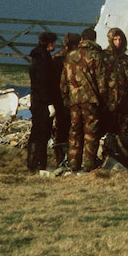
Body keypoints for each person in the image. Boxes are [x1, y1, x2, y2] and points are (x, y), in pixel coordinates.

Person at [60, 27, 107, 172]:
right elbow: (101, 81)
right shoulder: (95, 56)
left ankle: (73, 163)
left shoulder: (70, 56)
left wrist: (66, 99)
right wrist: (103, 100)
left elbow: (63, 82)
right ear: (95, 39)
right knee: (90, 133)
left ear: (81, 39)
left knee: (75, 132)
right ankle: (88, 164)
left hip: (74, 101)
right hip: (90, 100)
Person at [102, 27, 128, 169]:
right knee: (106, 131)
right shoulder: (103, 56)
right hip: (108, 102)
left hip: (123, 102)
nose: (118, 42)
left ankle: (122, 159)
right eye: (115, 39)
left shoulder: (125, 59)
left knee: (122, 132)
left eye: (120, 39)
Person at [28, 31, 58, 173]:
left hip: (37, 100)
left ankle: (33, 162)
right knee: (42, 133)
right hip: (42, 102)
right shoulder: (43, 59)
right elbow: (43, 83)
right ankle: (39, 163)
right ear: (49, 43)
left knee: (37, 132)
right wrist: (49, 103)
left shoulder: (38, 57)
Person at [51, 32, 81, 166]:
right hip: (65, 99)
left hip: (65, 99)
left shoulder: (59, 58)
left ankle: (63, 158)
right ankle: (61, 158)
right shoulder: (62, 60)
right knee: (65, 129)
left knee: (65, 129)